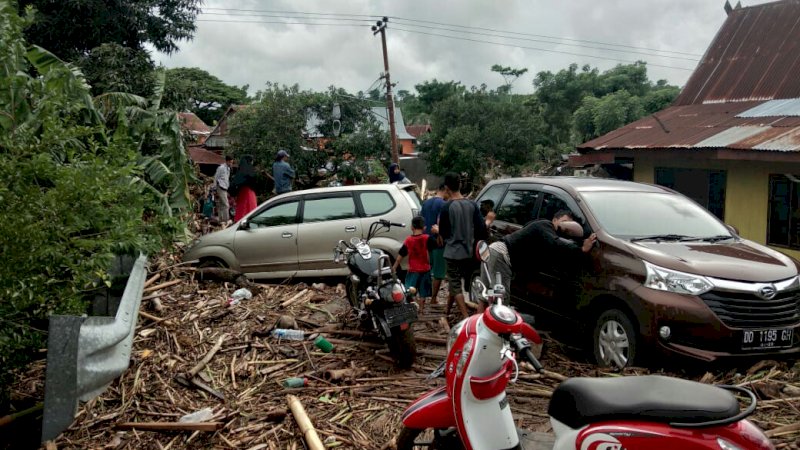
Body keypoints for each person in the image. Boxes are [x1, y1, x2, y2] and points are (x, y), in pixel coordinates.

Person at [479, 210, 597, 312]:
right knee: (500, 301)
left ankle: (477, 329)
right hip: (500, 255)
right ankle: (495, 334)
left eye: (570, 223)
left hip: (493, 252)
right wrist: (581, 250)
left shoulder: (544, 230)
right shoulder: (545, 226)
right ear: (555, 220)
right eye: (564, 221)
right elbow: (556, 244)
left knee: (486, 296)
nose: (567, 225)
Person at [438, 172, 487, 320]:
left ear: (447, 188)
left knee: (455, 284)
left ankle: (466, 318)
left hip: (453, 253)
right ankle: (447, 312)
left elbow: (444, 233)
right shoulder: (472, 205)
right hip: (469, 252)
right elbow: (481, 230)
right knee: (459, 284)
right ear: (460, 185)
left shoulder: (447, 207)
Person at [392, 216, 438, 312]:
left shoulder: (408, 240)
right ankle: (421, 309)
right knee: (423, 292)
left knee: (410, 291)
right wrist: (437, 233)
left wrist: (395, 266)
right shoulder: (427, 238)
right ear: (424, 227)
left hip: (413, 270)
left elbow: (401, 254)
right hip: (425, 269)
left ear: (412, 227)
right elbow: (437, 244)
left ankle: (413, 307)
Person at [421, 184, 447, 304]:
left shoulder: (426, 203)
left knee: (427, 268)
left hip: (426, 239)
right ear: (445, 190)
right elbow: (440, 223)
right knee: (439, 271)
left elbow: (421, 222)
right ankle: (433, 299)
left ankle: (423, 298)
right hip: (438, 241)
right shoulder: (443, 204)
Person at [232, 155, 258, 222]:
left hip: (241, 192)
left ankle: (239, 221)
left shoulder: (240, 170)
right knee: (250, 207)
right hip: (249, 192)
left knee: (242, 208)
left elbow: (235, 182)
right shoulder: (249, 170)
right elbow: (254, 181)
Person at [214, 155, 234, 224]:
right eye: (230, 162)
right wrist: (214, 188)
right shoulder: (221, 168)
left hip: (225, 188)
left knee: (222, 204)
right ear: (227, 161)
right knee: (226, 204)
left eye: (232, 162)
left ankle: (221, 219)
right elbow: (216, 177)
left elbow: (226, 179)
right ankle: (226, 220)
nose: (231, 164)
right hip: (220, 187)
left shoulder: (228, 169)